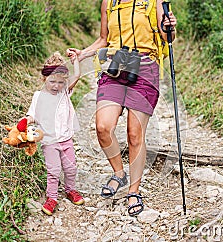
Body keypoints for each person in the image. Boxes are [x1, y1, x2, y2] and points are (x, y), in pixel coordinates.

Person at [67, 0, 177, 216]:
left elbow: (168, 37)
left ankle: (134, 191)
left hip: (146, 68)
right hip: (115, 68)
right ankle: (119, 173)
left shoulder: (155, 1)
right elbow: (103, 39)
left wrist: (170, 26)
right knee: (102, 127)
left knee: (135, 134)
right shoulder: (109, 2)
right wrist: (83, 53)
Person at [23, 51, 84, 216]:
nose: (56, 86)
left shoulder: (64, 92)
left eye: (60, 82)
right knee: (54, 171)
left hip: (66, 140)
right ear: (44, 79)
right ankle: (52, 198)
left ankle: (70, 190)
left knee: (71, 168)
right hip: (49, 141)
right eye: (52, 81)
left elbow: (77, 75)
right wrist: (25, 122)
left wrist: (75, 61)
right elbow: (32, 115)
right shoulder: (39, 96)